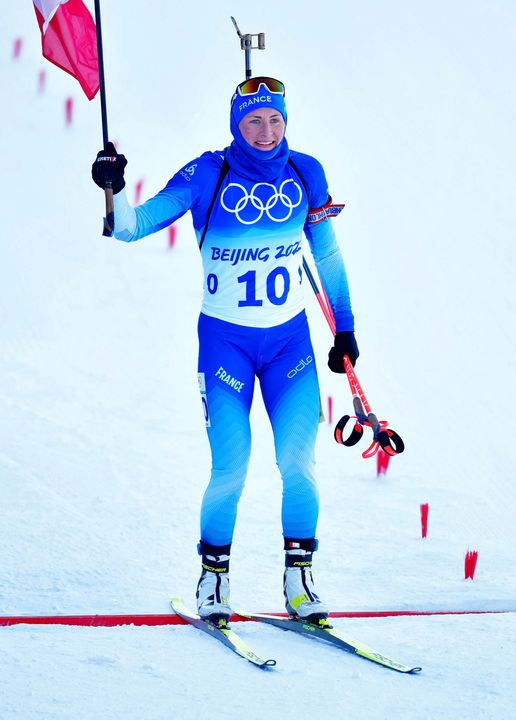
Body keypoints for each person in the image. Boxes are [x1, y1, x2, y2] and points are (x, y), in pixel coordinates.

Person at [91, 77, 358, 627]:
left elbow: (327, 257)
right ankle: (213, 579)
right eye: (254, 121)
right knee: (231, 468)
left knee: (299, 466)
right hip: (225, 346)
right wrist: (111, 190)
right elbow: (132, 227)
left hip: (291, 346)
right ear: (236, 124)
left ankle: (300, 579)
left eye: (275, 120)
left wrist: (346, 329)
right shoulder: (206, 174)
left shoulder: (306, 173)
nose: (266, 132)